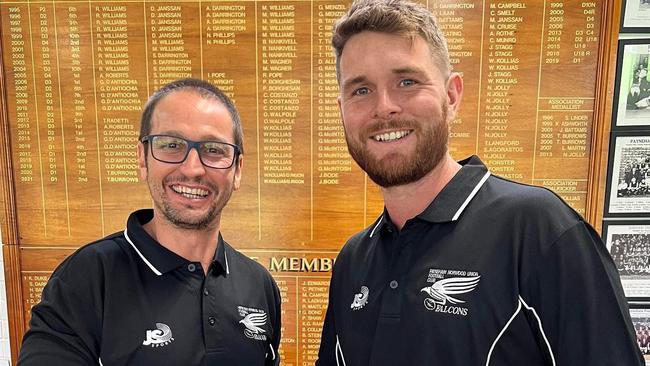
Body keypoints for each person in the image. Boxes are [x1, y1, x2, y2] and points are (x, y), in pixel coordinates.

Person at [316, 0, 643, 365]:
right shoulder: (354, 260)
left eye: (407, 82)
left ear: (451, 96)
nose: (384, 106)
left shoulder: (539, 230)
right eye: (361, 90)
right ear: (342, 108)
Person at [18, 79, 281, 365]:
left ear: (237, 170)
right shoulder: (87, 279)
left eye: (214, 150)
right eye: (171, 145)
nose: (193, 168)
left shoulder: (259, 285)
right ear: (142, 159)